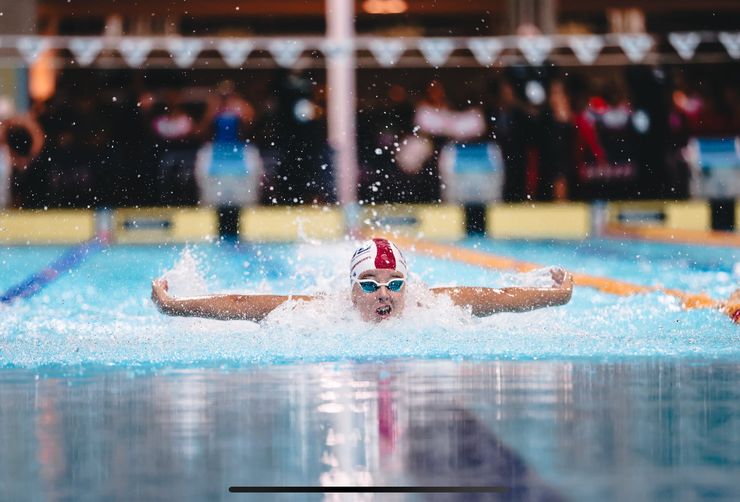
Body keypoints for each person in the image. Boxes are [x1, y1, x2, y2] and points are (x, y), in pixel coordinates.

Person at [151, 238, 574, 323]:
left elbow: (496, 297)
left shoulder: (431, 305)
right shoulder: (324, 311)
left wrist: (552, 297)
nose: (384, 292)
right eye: (369, 283)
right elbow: (247, 304)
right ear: (351, 289)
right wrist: (176, 306)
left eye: (394, 282)